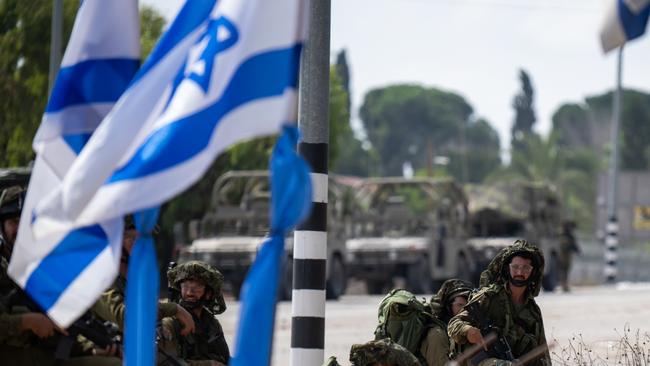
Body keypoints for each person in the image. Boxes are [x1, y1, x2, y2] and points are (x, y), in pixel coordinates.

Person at [0, 184, 119, 365]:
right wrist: (26, 322)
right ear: (2, 227)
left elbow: (64, 334)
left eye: (25, 222)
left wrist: (92, 348)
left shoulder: (40, 269)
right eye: (14, 222)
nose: (20, 229)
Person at [447, 240, 551, 366]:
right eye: (515, 267)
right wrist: (469, 331)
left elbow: (542, 352)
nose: (520, 273)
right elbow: (454, 324)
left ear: (532, 272)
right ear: (508, 269)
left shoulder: (533, 311)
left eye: (526, 268)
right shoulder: (490, 297)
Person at [158, 260, 230, 366]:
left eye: (197, 287)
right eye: (185, 286)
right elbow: (165, 363)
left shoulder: (211, 323)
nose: (189, 292)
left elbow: (225, 358)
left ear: (208, 294)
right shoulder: (170, 322)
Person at [420, 279, 473, 366]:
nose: (465, 309)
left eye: (468, 305)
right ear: (448, 307)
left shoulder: (470, 328)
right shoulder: (437, 333)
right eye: (460, 305)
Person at [558, 220, 580, 292]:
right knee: (563, 270)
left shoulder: (569, 235)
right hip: (562, 255)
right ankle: (564, 285)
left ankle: (565, 285)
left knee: (566, 270)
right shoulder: (562, 235)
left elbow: (573, 245)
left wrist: (576, 249)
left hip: (567, 255)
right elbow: (562, 245)